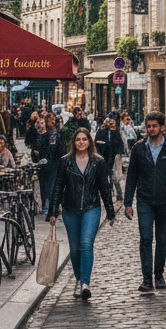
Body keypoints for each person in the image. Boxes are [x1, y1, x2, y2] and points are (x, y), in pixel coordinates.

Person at [124, 110, 166, 294]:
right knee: (145, 238)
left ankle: (158, 274)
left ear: (162, 127)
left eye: (154, 126)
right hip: (144, 199)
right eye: (148, 126)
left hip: (164, 199)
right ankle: (147, 279)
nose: (151, 129)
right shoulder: (138, 148)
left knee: (161, 238)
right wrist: (128, 202)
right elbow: (131, 178)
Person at [49, 126, 115, 300]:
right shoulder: (65, 161)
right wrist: (53, 211)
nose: (81, 142)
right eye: (78, 139)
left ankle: (85, 283)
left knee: (86, 244)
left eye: (84, 139)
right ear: (73, 142)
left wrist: (110, 211)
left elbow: (104, 188)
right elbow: (57, 186)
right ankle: (78, 279)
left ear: (89, 142)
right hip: (70, 210)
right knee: (75, 248)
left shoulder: (98, 162)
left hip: (91, 208)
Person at [36, 112, 63, 216]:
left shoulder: (54, 134)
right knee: (45, 186)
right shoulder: (46, 134)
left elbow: (54, 150)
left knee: (50, 186)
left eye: (53, 120)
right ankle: (48, 207)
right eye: (49, 120)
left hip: (53, 164)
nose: (52, 122)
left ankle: (51, 208)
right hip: (46, 164)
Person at [95, 115, 123, 201]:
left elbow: (120, 144)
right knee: (104, 175)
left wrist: (118, 154)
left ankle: (118, 193)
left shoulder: (115, 133)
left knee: (112, 175)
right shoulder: (101, 131)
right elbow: (96, 143)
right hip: (103, 156)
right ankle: (106, 192)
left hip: (112, 157)